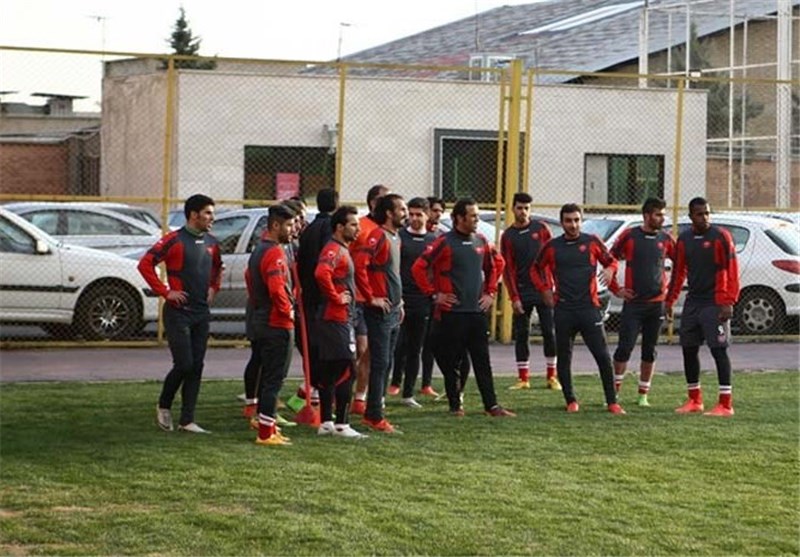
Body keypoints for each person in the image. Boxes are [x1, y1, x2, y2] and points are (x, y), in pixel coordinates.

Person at [412, 197, 515, 418]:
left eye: (477, 215)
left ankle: (492, 405)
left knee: (482, 361)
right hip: (451, 314)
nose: (477, 219)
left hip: (475, 312)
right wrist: (434, 294)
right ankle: (455, 404)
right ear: (459, 218)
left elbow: (497, 264)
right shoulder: (444, 242)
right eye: (473, 216)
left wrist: (490, 292)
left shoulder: (481, 241)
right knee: (450, 360)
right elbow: (419, 267)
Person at [139, 194, 223, 433]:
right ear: (194, 215)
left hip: (201, 313)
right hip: (178, 314)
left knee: (197, 366)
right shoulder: (174, 240)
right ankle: (164, 405)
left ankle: (187, 420)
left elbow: (218, 268)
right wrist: (166, 292)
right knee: (184, 364)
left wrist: (213, 287)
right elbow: (145, 264)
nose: (212, 218)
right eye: (208, 213)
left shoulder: (212, 242)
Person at [532, 203, 624, 414]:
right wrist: (544, 289)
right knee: (564, 357)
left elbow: (611, 261)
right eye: (568, 221)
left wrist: (610, 270)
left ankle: (612, 402)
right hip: (564, 310)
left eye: (576, 220)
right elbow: (536, 269)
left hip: (589, 308)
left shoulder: (591, 242)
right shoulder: (552, 247)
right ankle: (571, 400)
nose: (573, 225)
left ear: (581, 221)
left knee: (602, 356)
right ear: (562, 222)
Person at [666, 197, 740, 417]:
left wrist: (728, 301)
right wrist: (669, 301)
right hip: (693, 302)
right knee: (688, 349)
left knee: (718, 349)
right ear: (691, 216)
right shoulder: (684, 240)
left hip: (715, 303)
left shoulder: (721, 236)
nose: (704, 217)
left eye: (707, 213)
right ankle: (694, 400)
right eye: (699, 214)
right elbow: (678, 272)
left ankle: (725, 404)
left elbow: (732, 270)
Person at [609, 197, 675, 407]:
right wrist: (617, 289)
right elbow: (609, 259)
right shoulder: (630, 236)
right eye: (658, 214)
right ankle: (614, 393)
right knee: (624, 348)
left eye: (663, 214)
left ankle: (643, 395)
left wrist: (670, 296)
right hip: (634, 304)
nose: (662, 218)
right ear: (646, 216)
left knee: (650, 350)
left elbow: (681, 264)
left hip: (656, 304)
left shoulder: (666, 239)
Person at [354, 193, 407, 433]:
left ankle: (376, 408)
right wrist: (370, 297)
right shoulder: (378, 236)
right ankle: (373, 414)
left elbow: (392, 273)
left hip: (393, 309)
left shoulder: (395, 237)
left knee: (386, 361)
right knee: (380, 361)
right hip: (380, 311)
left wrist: (400, 302)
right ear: (389, 213)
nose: (405, 213)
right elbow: (360, 266)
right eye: (402, 209)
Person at [313, 205, 367, 438]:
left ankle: (326, 422)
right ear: (339, 227)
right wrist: (336, 297)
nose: (358, 229)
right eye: (353, 225)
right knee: (348, 368)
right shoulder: (334, 249)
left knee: (330, 369)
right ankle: (342, 424)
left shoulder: (342, 249)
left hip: (335, 318)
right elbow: (321, 273)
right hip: (336, 318)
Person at [500, 192, 560, 391]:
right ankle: (523, 378)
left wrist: (552, 286)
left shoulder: (541, 229)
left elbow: (552, 258)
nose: (523, 212)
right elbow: (508, 269)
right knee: (522, 333)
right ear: (513, 209)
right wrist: (514, 297)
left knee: (549, 332)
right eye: (520, 208)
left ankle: (552, 376)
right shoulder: (508, 236)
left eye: (526, 208)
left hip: (543, 290)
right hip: (522, 291)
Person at [287, 188, 340, 412]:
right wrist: (334, 294)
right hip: (322, 298)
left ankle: (310, 390)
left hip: (308, 295)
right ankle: (318, 393)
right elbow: (325, 266)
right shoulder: (329, 230)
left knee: (314, 347)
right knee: (326, 349)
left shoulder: (308, 230)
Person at [249, 204, 297, 446]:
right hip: (276, 322)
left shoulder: (259, 249)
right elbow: (277, 288)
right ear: (276, 226)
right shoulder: (275, 253)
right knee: (274, 379)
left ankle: (266, 425)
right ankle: (266, 434)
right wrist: (288, 311)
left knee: (268, 376)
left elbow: (249, 280)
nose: (293, 230)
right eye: (289, 225)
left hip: (262, 318)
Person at [387, 197, 437, 407]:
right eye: (412, 214)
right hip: (400, 299)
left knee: (416, 347)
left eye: (419, 214)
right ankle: (390, 385)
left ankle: (408, 393)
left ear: (427, 215)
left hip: (423, 300)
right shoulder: (399, 237)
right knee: (396, 345)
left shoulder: (434, 240)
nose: (414, 218)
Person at [350, 184, 390, 415]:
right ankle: (321, 391)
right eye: (384, 199)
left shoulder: (388, 231)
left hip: (376, 301)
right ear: (373, 203)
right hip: (357, 298)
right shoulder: (360, 226)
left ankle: (360, 398)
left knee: (369, 351)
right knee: (354, 351)